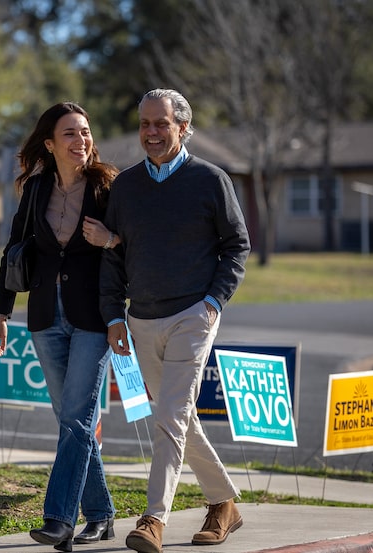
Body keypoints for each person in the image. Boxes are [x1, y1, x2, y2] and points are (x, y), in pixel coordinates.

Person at [100, 89, 251, 552]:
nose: (151, 132)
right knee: (181, 419)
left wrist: (212, 303)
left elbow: (236, 245)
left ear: (183, 127)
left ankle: (153, 520)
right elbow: (113, 256)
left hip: (193, 314)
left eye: (161, 124)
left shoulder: (210, 179)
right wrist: (114, 318)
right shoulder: (124, 187)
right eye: (145, 124)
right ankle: (223, 502)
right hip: (140, 318)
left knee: (168, 417)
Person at [0, 102, 121, 552]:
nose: (80, 140)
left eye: (85, 132)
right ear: (50, 143)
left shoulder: (107, 187)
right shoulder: (37, 188)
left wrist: (112, 241)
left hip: (94, 318)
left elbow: (129, 248)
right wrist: (0, 316)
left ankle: (59, 519)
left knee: (78, 419)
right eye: (70, 133)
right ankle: (101, 515)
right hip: (45, 317)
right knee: (70, 420)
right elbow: (14, 251)